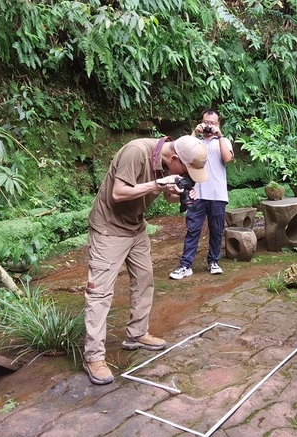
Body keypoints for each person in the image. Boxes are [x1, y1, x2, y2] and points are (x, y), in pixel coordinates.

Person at [83, 135, 208, 385]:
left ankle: (136, 334)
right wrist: (158, 184)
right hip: (109, 229)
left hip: (136, 227)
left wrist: (180, 192)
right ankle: (93, 357)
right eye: (187, 171)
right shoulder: (136, 152)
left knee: (144, 280)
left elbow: (167, 195)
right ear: (174, 159)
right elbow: (119, 193)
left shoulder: (165, 162)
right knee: (100, 293)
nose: (190, 175)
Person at [169, 109, 234, 280]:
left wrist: (219, 136)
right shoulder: (195, 142)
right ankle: (185, 265)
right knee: (193, 229)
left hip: (217, 193)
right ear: (201, 122)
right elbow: (183, 154)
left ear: (218, 124)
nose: (209, 126)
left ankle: (213, 261)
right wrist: (194, 132)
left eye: (213, 123)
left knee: (217, 230)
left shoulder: (224, 141)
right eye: (206, 122)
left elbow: (227, 158)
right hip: (196, 192)